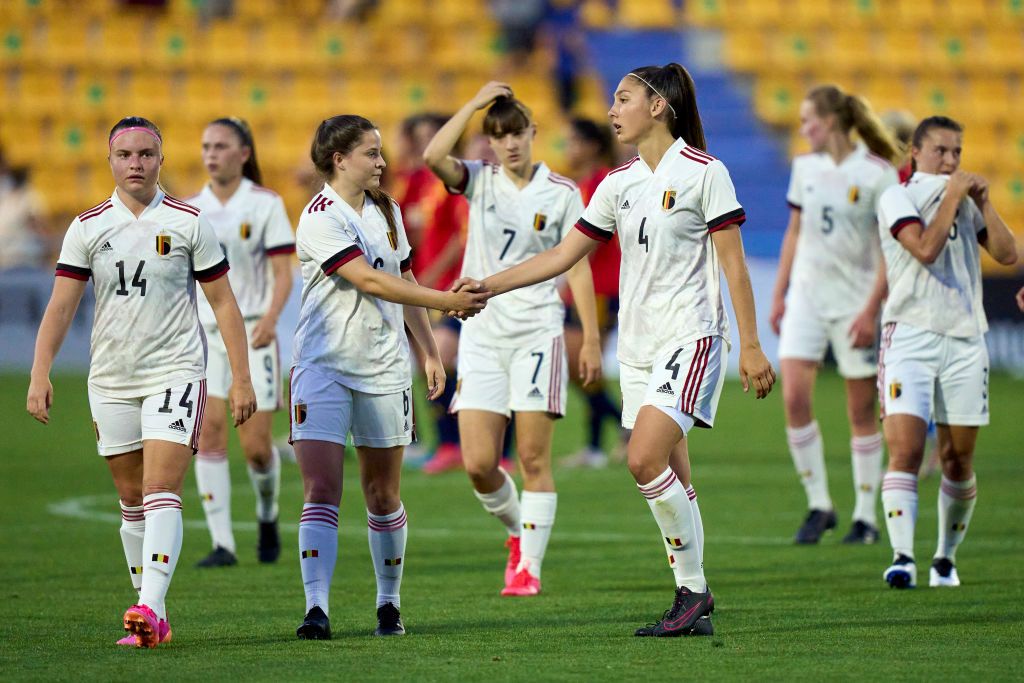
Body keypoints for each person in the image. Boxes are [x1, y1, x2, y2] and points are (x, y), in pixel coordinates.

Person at [466, 63, 775, 635]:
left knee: (641, 458)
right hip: (637, 346)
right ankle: (694, 602)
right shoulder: (616, 183)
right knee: (676, 479)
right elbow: (563, 256)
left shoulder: (706, 173)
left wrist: (751, 344)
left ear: (657, 106)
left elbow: (733, 264)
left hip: (692, 334)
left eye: (623, 97)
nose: (612, 109)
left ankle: (693, 592)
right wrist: (489, 284)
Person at [26, 116, 257, 648]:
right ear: (110, 161)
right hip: (110, 379)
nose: (135, 163)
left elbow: (223, 302)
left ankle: (148, 607)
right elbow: (61, 307)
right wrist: (40, 374)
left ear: (161, 160)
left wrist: (239, 378)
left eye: (146, 154)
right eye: (125, 155)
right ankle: (152, 609)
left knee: (160, 489)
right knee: (131, 500)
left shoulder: (188, 222)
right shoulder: (87, 226)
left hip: (174, 372)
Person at [290, 115, 487, 640]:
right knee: (321, 488)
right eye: (371, 153)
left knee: (382, 494)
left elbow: (403, 277)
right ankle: (316, 608)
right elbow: (370, 280)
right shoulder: (318, 217)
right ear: (339, 160)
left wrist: (426, 349)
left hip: (383, 368)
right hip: (323, 366)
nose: (382, 162)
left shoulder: (388, 210)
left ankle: (388, 603)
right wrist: (447, 301)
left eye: (380, 152)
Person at [422, 83, 603, 597]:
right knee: (479, 464)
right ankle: (518, 534)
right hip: (482, 333)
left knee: (533, 459)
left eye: (517, 133)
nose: (510, 144)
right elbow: (435, 154)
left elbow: (578, 267)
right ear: (491, 143)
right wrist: (474, 102)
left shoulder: (564, 194)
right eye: (498, 136)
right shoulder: (478, 181)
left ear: (532, 133)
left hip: (538, 331)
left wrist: (588, 337)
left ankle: (530, 568)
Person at [875, 115, 1018, 589]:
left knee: (957, 459)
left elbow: (1008, 254)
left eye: (958, 152)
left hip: (964, 337)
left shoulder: (965, 201)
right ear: (916, 152)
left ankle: (944, 559)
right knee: (907, 450)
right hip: (909, 337)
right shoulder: (897, 197)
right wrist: (955, 195)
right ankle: (901, 557)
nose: (952, 160)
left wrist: (985, 203)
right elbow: (925, 247)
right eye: (941, 151)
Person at [769, 85, 903, 545]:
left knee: (860, 410)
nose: (803, 129)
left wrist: (871, 309)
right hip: (807, 298)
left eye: (809, 120)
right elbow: (794, 232)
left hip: (855, 304)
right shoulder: (804, 168)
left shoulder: (877, 175)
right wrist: (780, 293)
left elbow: (890, 249)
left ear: (830, 123)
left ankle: (866, 516)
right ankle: (819, 504)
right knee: (793, 399)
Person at [187, 117, 295, 567]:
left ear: (244, 153)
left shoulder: (265, 204)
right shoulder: (191, 209)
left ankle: (267, 513)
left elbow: (284, 272)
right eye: (206, 145)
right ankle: (222, 543)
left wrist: (271, 319)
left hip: (253, 331)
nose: (211, 153)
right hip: (206, 336)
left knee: (254, 447)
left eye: (222, 146)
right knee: (209, 432)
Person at [561, 116, 624, 468]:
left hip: (600, 287)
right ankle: (605, 439)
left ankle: (606, 438)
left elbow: (590, 241)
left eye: (572, 141)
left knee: (582, 362)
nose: (566, 149)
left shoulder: (602, 182)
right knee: (578, 366)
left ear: (591, 146)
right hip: (581, 286)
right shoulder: (582, 183)